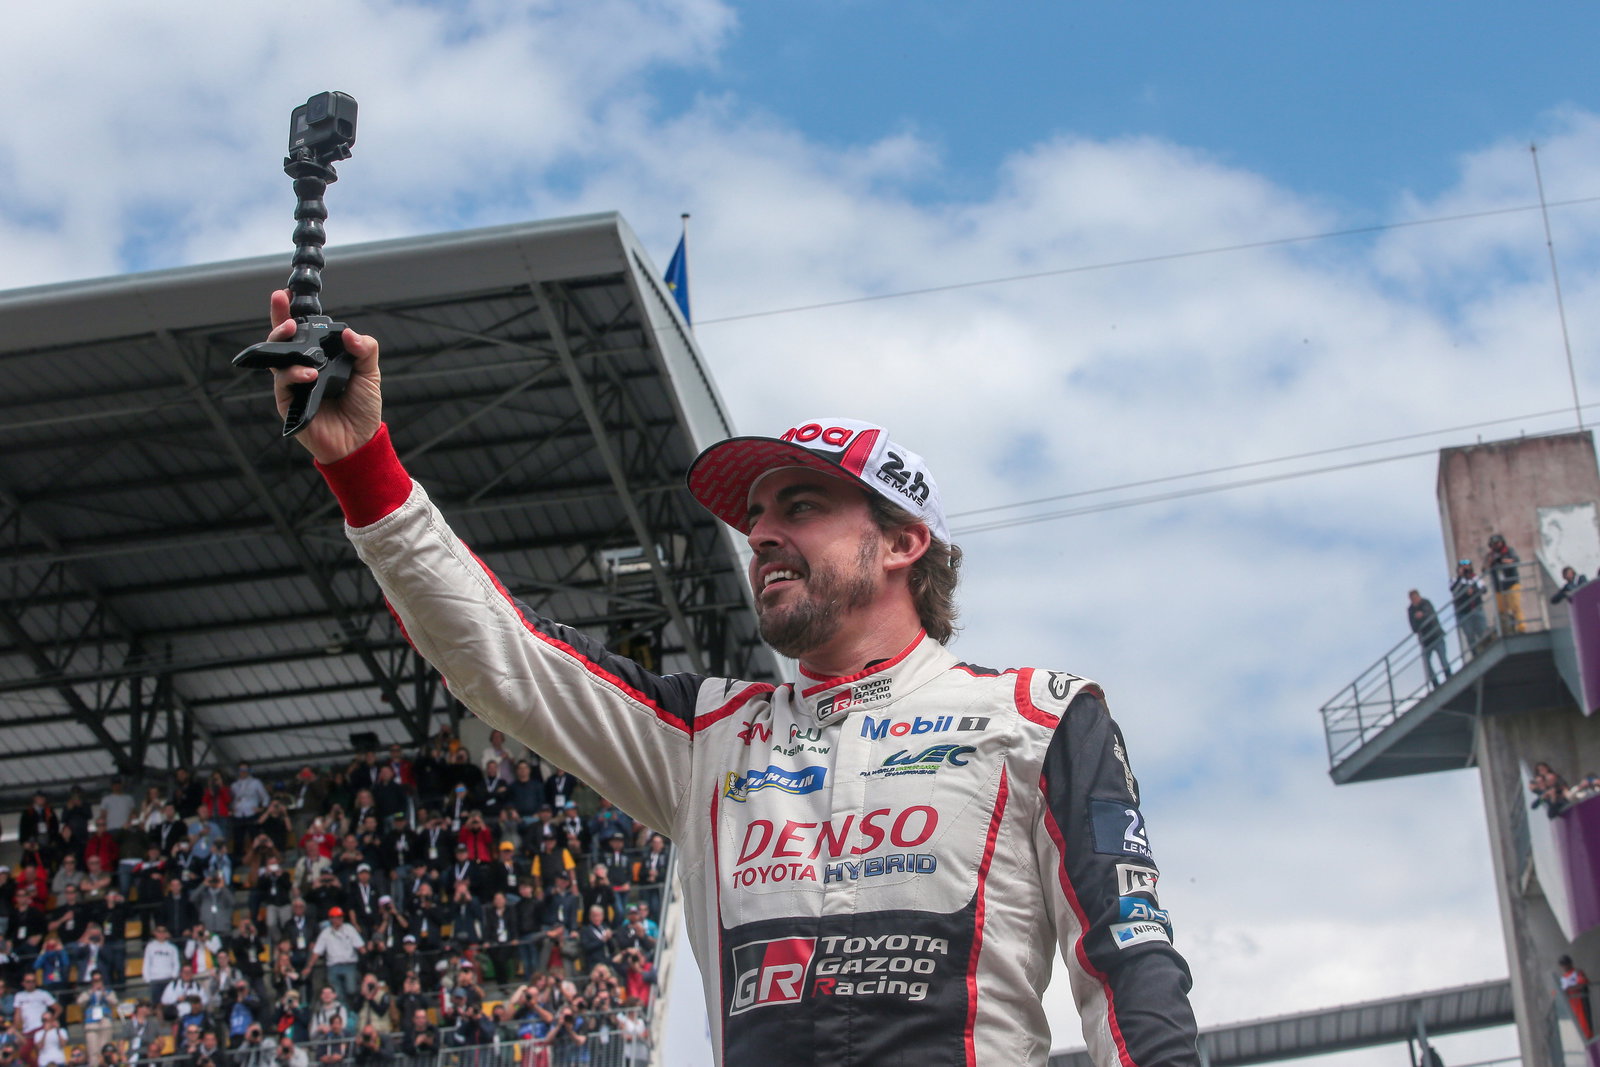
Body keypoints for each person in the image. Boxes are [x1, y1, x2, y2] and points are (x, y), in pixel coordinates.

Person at [255, 300, 1198, 1065]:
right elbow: (500, 656)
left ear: (906, 542)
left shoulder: (1036, 716)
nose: (763, 534)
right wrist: (359, 462)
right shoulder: (710, 733)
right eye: (755, 517)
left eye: (802, 505)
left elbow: (1128, 964)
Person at [1406, 590, 1450, 689]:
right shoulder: (1411, 610)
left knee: (1443, 659)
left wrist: (1422, 616)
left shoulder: (1426, 603)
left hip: (1436, 635)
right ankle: (1435, 683)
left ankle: (1448, 676)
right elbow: (1414, 628)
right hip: (1425, 641)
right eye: (1413, 599)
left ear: (1419, 596)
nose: (1415, 600)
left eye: (1416, 598)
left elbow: (1431, 616)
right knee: (1427, 664)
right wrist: (1418, 619)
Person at [1485, 533, 1525, 634]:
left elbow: (1516, 560)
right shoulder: (1490, 555)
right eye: (1493, 544)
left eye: (1497, 543)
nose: (1496, 545)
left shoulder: (1508, 551)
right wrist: (1491, 562)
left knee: (1515, 606)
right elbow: (1484, 569)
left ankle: (1521, 628)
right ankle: (1507, 630)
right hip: (1499, 587)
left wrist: (1503, 560)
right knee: (1502, 611)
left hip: (1512, 583)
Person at [1451, 558, 1489, 650]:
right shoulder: (1455, 580)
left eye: (1467, 566)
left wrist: (1474, 591)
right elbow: (1454, 590)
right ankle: (1475, 653)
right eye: (1463, 566)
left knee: (1482, 631)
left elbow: (1484, 589)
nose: (1465, 568)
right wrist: (1460, 578)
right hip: (1464, 613)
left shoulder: (1475, 578)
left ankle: (1485, 648)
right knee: (1470, 634)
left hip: (1477, 608)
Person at [1560, 955, 1593, 1042]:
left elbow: (1583, 982)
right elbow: (1558, 992)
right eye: (1562, 964)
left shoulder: (1577, 972)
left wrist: (1570, 989)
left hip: (1581, 1002)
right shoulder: (1562, 978)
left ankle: (1590, 1041)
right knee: (1576, 1028)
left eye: (1565, 964)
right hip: (1571, 1006)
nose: (1564, 966)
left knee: (1586, 1026)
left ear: (1570, 963)